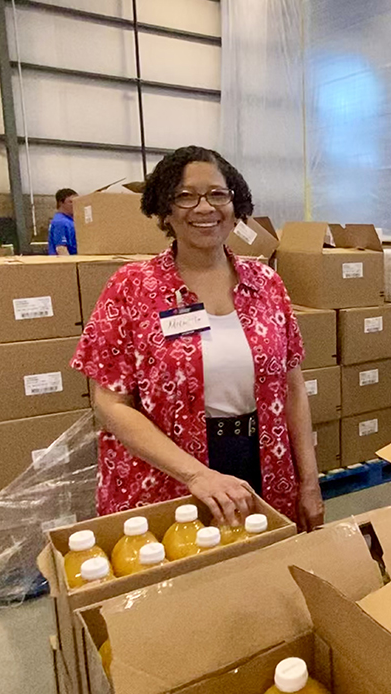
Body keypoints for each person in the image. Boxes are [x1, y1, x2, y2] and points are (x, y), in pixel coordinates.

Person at [71, 146, 324, 531]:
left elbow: (293, 387)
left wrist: (309, 481)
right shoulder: (133, 287)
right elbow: (110, 403)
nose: (205, 208)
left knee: (262, 578)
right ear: (165, 209)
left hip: (262, 464)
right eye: (186, 196)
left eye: (218, 194)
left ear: (234, 204)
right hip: (168, 476)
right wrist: (195, 475)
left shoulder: (266, 284)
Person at [47, 188, 78, 255]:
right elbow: (61, 248)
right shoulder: (60, 222)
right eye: (70, 202)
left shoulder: (72, 220)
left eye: (76, 202)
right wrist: (72, 264)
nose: (74, 205)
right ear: (61, 203)